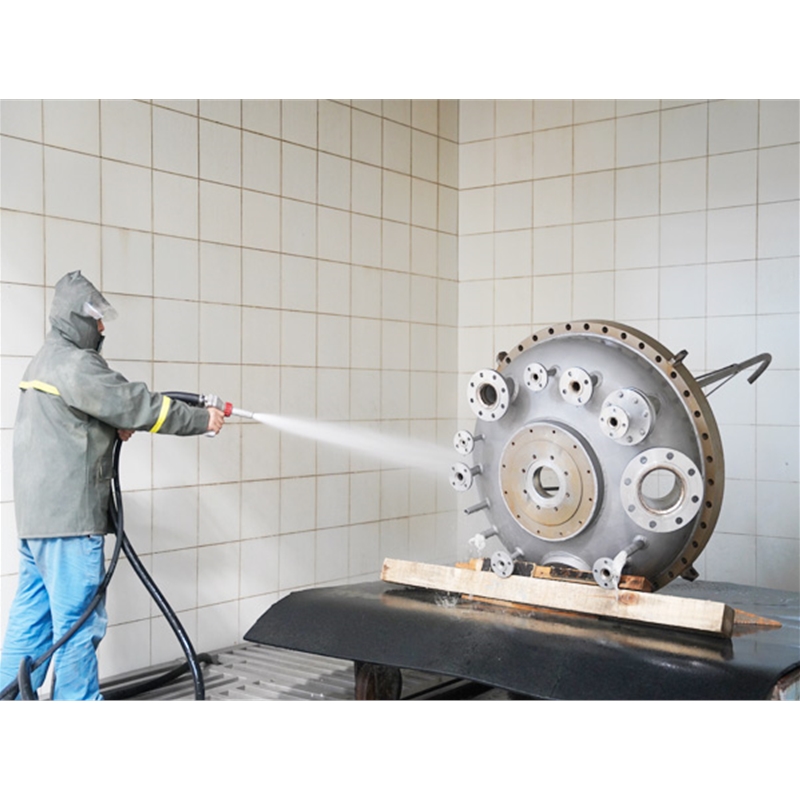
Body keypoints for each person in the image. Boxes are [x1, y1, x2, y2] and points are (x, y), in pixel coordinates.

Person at [0, 270, 225, 700]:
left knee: (31, 623)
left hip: (36, 523)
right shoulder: (77, 364)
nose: (102, 328)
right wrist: (201, 419)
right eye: (96, 319)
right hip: (70, 521)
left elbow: (69, 425)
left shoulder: (43, 361)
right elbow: (134, 403)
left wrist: (108, 426)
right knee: (78, 624)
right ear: (77, 318)